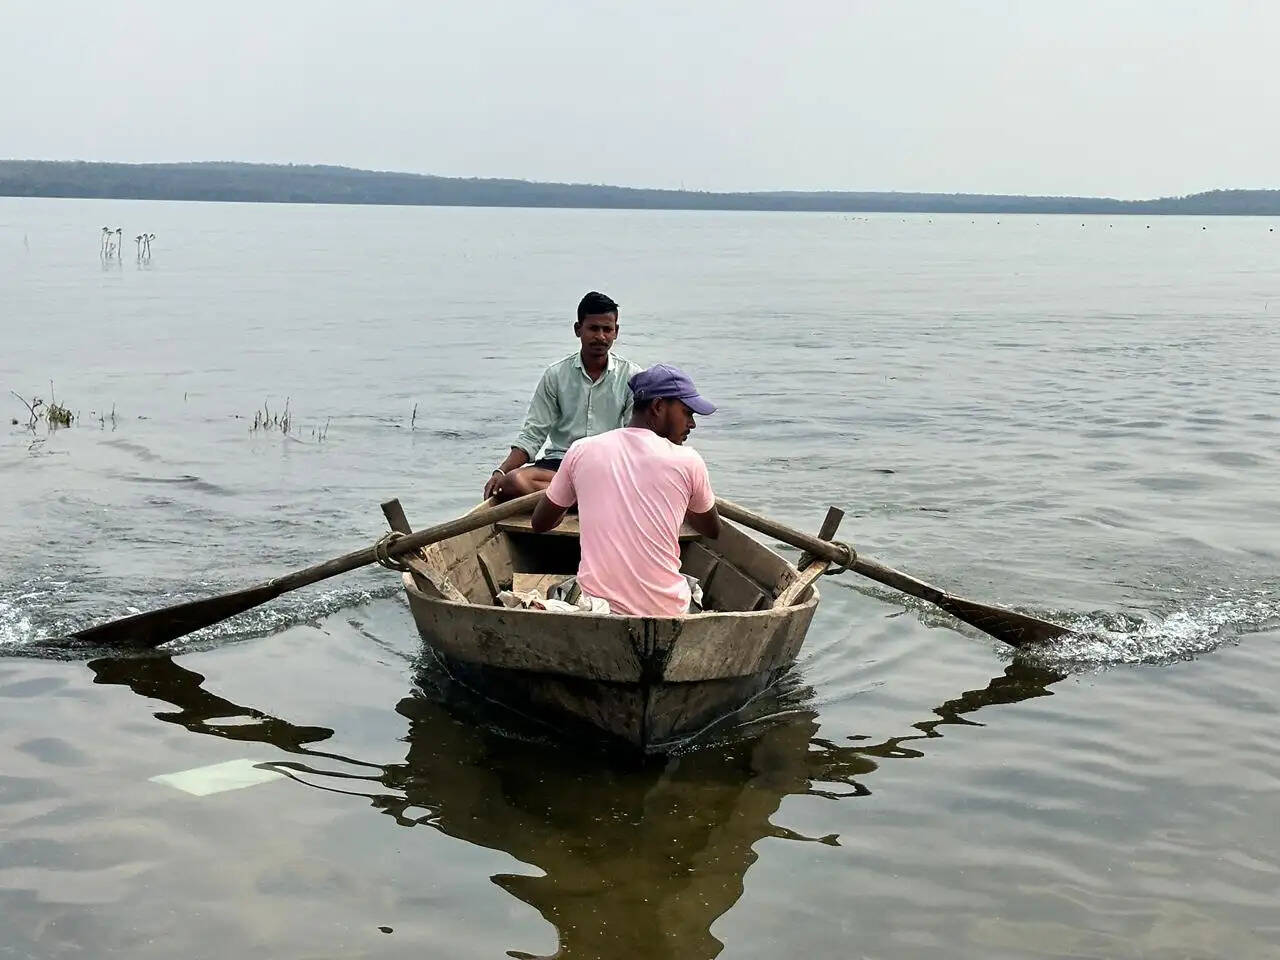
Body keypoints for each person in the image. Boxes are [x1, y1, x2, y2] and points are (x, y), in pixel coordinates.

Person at [530, 364, 723, 617]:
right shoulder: (689, 461)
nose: (692, 424)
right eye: (687, 413)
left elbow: (540, 523)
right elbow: (712, 529)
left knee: (558, 588)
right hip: (667, 610)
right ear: (657, 407)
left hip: (598, 610)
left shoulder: (581, 450)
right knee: (689, 585)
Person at [484, 291, 644, 501]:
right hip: (559, 466)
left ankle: (566, 499)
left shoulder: (632, 376)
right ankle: (588, 498)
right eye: (593, 328)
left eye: (607, 329)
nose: (601, 336)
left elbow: (636, 437)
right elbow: (533, 435)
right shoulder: (556, 375)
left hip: (607, 467)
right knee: (512, 483)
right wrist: (501, 471)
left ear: (616, 332)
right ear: (578, 330)